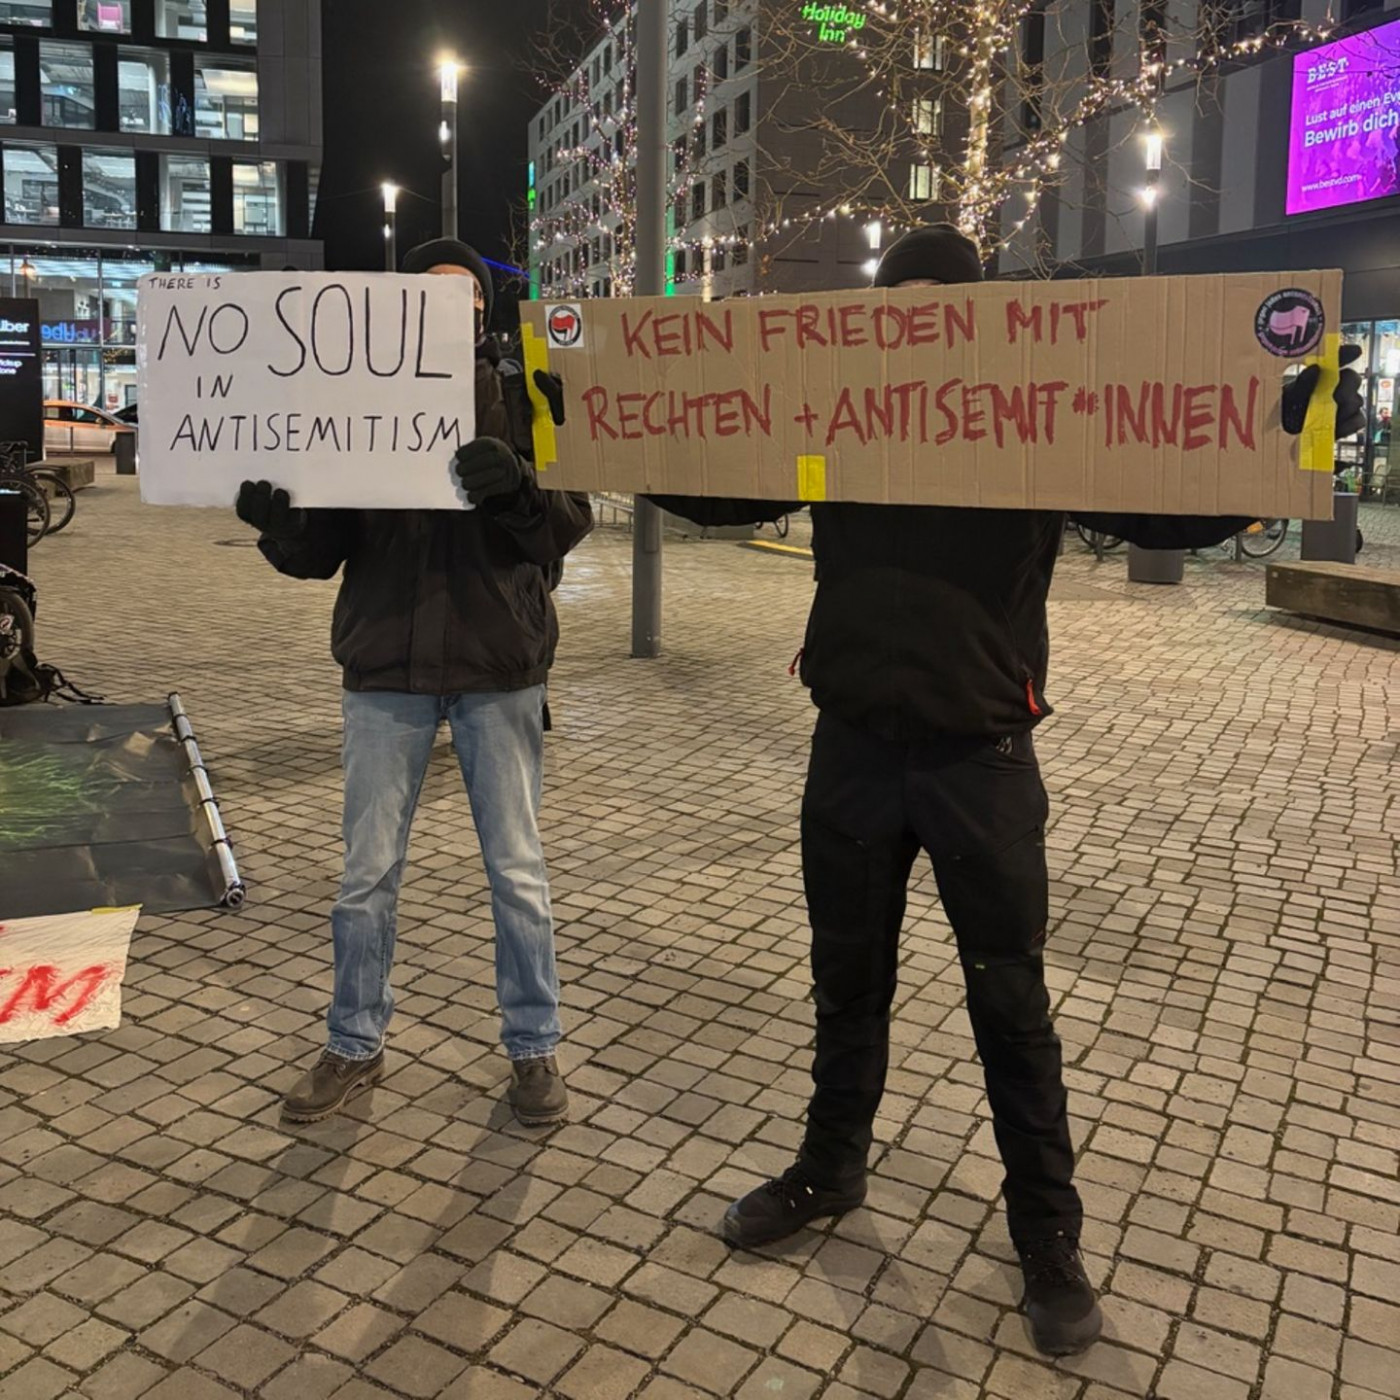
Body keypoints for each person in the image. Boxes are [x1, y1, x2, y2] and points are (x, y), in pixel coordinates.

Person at [650, 224, 1364, 1357]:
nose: (924, 335)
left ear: (979, 322)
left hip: (976, 762)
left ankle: (1046, 1235)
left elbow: (1159, 503)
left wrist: (1288, 438)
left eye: (944, 310)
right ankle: (829, 1166)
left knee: (1009, 1008)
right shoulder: (841, 420)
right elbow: (721, 486)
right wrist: (587, 422)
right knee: (846, 983)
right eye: (903, 313)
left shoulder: (1031, 423)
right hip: (848, 751)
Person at [235, 239, 592, 1128]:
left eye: (464, 300)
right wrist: (281, 526)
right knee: (365, 875)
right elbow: (322, 550)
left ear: (482, 313)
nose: (451, 311)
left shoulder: (525, 395)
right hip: (386, 666)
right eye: (429, 298)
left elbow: (567, 526)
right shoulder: (356, 397)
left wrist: (517, 489)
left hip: (498, 665)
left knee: (517, 872)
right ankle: (352, 1042)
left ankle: (535, 1047)